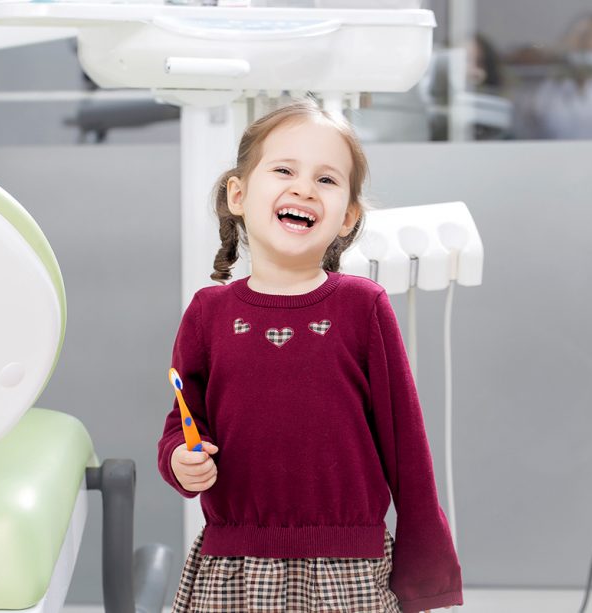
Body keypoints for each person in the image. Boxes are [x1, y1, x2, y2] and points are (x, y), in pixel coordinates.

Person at [156, 100, 463, 613]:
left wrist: (426, 575)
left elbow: (407, 446)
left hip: (350, 571)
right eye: (283, 170)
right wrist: (180, 460)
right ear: (238, 193)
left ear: (347, 217)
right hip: (233, 568)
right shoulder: (208, 313)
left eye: (326, 179)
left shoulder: (363, 307)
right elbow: (183, 420)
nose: (303, 188)